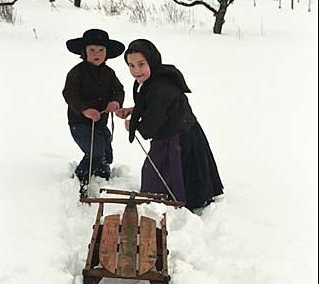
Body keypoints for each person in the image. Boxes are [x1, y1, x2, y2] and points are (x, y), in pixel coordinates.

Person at [116, 39, 223, 211]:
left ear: (151, 60)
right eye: (131, 65)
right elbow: (154, 106)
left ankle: (172, 203)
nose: (136, 70)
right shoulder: (155, 79)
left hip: (178, 138)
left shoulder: (161, 86)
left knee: (163, 174)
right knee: (160, 172)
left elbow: (153, 121)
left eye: (141, 64)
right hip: (174, 132)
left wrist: (134, 125)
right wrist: (134, 110)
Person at [63, 29, 125, 198]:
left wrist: (115, 102)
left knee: (106, 151)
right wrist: (85, 110)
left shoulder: (109, 73)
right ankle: (81, 177)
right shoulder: (77, 72)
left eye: (101, 50)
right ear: (84, 52)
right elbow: (69, 93)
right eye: (92, 50)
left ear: (107, 54)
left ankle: (102, 175)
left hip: (100, 122)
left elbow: (118, 90)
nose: (97, 54)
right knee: (95, 151)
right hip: (79, 123)